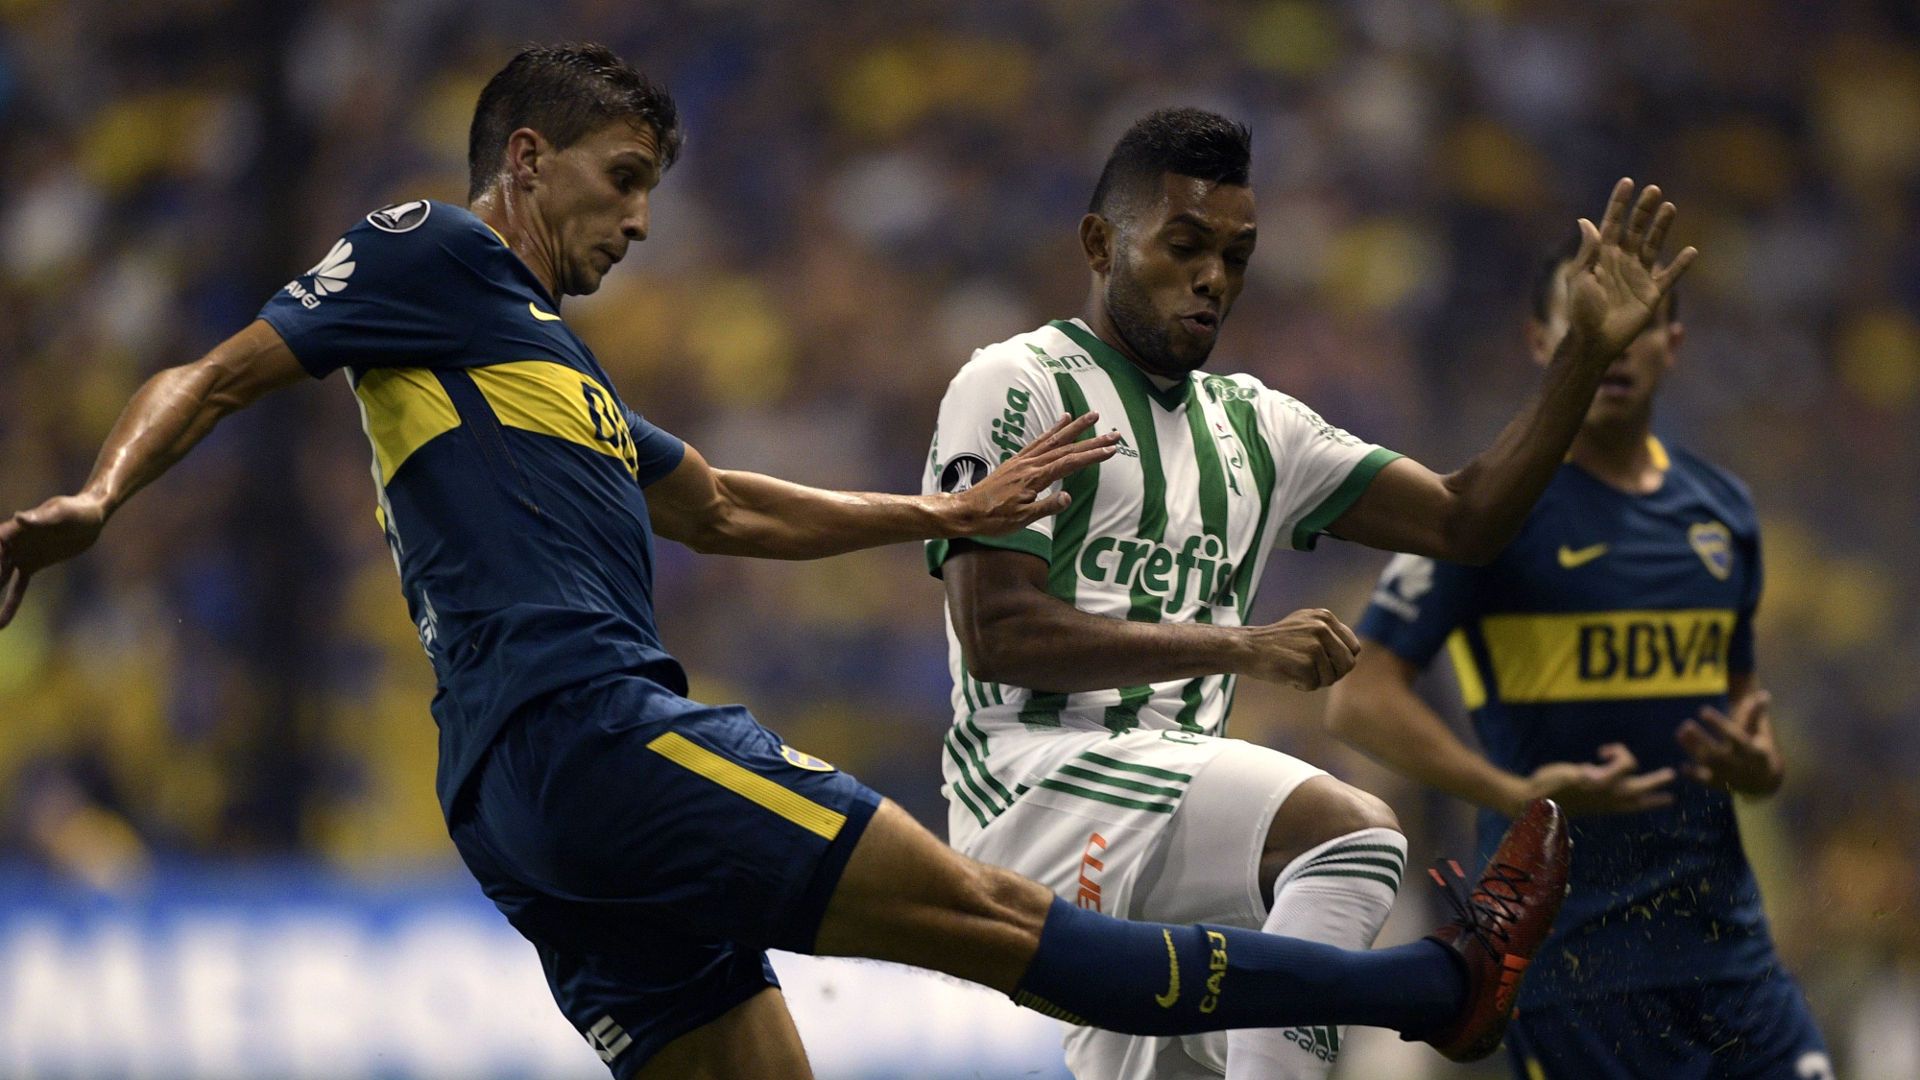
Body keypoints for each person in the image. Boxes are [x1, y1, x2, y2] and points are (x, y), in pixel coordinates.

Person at [1, 45, 1569, 1080]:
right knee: (1007, 930)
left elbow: (730, 507)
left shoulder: (552, 372)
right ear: (528, 159)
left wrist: (937, 518)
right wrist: (97, 499)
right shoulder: (436, 253)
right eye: (621, 185)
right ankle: (1441, 993)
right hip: (595, 735)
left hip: (510, 803)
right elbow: (215, 371)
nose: (636, 227)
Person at [923, 107, 1692, 1080]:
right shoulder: (1015, 381)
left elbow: (1465, 520)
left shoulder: (1259, 425)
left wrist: (1582, 357)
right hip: (1038, 790)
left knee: (1256, 1028)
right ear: (1098, 243)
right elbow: (997, 632)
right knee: (1354, 839)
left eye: (1237, 255)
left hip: (1183, 826)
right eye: (1186, 246)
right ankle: (1448, 986)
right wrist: (1237, 646)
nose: (1214, 278)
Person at [1326, 237, 1833, 1079]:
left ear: (1673, 343)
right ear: (1542, 342)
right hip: (1572, 963)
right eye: (1592, 325)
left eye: (1640, 326)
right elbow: (1358, 698)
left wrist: (1759, 767)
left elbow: (1753, 729)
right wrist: (1513, 795)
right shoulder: (1486, 512)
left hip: (1729, 950)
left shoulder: (1725, 513)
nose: (1618, 346)